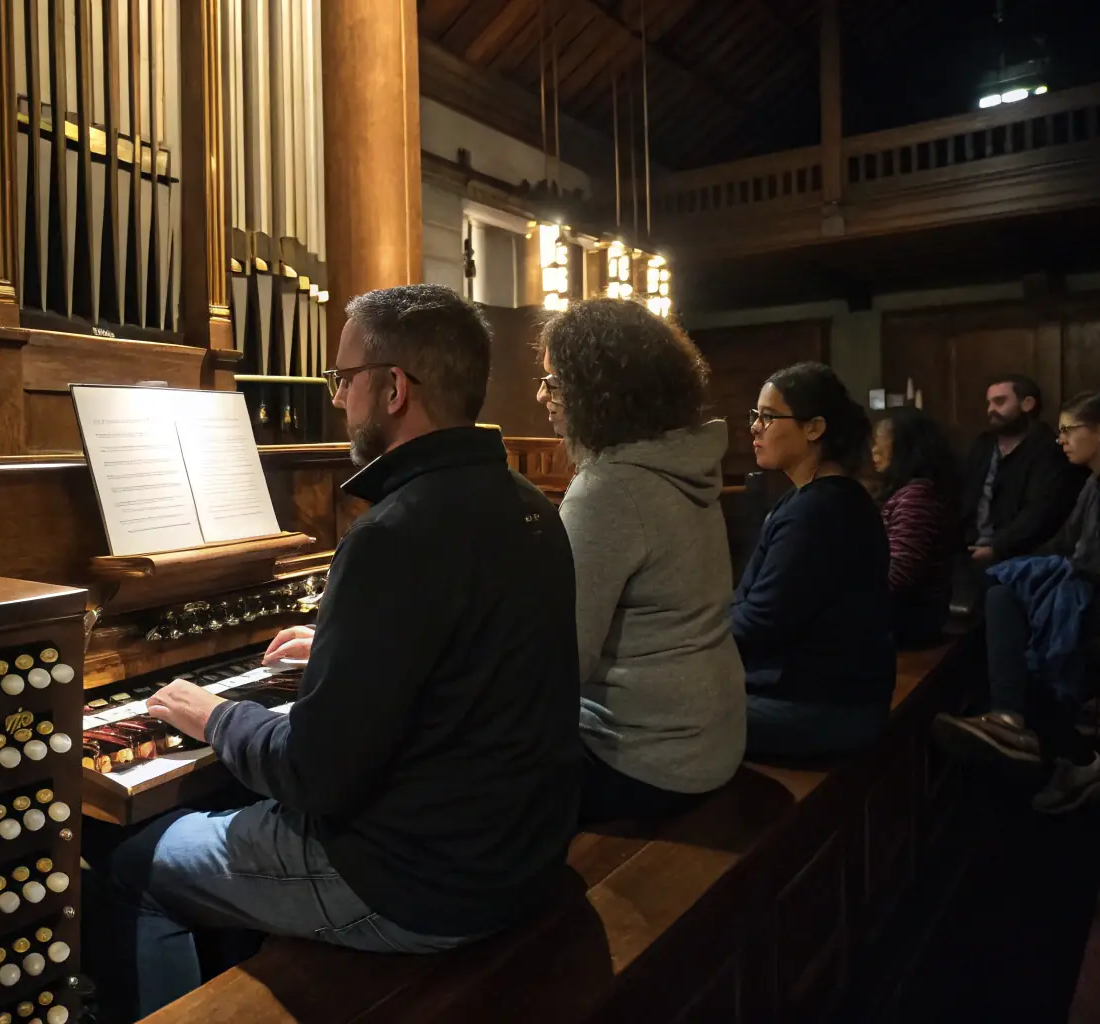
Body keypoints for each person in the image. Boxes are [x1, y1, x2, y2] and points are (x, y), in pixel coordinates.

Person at [94, 284, 581, 1020]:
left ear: (391, 388)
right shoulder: (526, 504)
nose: (337, 399)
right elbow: (461, 650)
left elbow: (314, 773)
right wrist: (345, 644)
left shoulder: (393, 534)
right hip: (517, 854)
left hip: (417, 884)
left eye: (343, 379)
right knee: (220, 804)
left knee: (130, 867)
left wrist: (214, 715)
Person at [534, 299, 746, 824]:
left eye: (554, 382)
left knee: (452, 770)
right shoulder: (684, 464)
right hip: (711, 740)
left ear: (598, 391)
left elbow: (558, 661)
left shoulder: (609, 487)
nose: (541, 396)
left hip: (645, 762)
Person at [935, 391, 1100, 813]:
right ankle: (1031, 736)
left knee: (1007, 615)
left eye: (1069, 430)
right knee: (1001, 607)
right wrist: (1034, 564)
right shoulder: (1094, 483)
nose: (1060, 438)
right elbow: (1063, 543)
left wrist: (1068, 570)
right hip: (1088, 592)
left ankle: (1033, 734)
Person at [732, 362, 896, 759]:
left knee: (658, 719)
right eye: (756, 416)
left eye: (768, 417)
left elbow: (762, 620)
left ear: (814, 428)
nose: (755, 427)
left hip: (823, 710)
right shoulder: (810, 498)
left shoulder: (820, 510)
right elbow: (750, 603)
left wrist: (689, 647)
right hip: (819, 696)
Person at [960, 374, 1085, 566]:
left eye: (999, 401)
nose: (990, 410)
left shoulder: (1049, 450)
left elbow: (1042, 512)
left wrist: (998, 549)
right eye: (989, 403)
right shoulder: (983, 445)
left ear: (1027, 404)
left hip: (1023, 556)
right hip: (969, 550)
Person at [871, 407, 957, 647]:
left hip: (912, 615)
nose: (874, 450)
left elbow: (898, 574)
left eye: (881, 442)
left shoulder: (916, 495)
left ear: (905, 448)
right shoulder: (904, 491)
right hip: (901, 608)